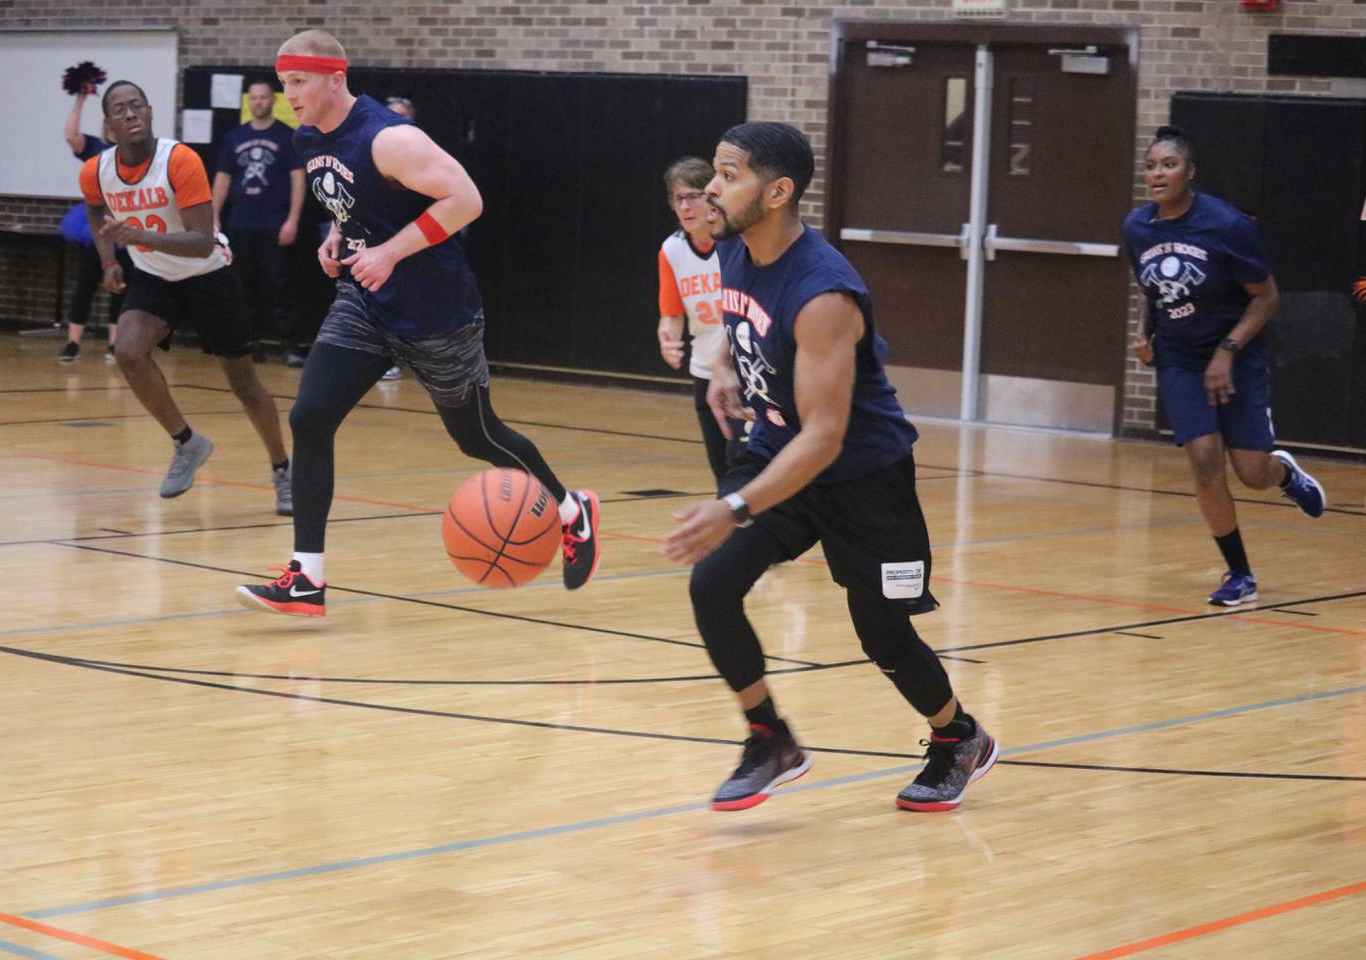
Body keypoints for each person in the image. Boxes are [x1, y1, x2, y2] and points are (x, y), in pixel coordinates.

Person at [663, 122, 996, 813]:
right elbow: (743, 319)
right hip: (777, 450)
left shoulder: (824, 295)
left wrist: (731, 506)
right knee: (713, 583)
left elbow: (824, 437)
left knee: (883, 633)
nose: (712, 190)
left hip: (862, 480)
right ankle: (770, 738)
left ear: (778, 192)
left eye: (729, 176)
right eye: (714, 173)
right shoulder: (734, 248)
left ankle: (958, 736)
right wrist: (727, 365)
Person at [235, 30, 600, 616]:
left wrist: (390, 252)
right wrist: (336, 237)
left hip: (436, 310)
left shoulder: (391, 138)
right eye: (284, 84)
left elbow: (466, 199)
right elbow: (351, 202)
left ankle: (570, 508)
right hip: (365, 302)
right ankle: (307, 576)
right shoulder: (307, 136)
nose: (289, 95)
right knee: (309, 417)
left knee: (476, 435)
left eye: (298, 82)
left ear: (335, 77)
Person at [1124, 125, 1326, 607]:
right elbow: (1152, 291)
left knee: (1250, 471)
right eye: (1151, 166)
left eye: (1168, 165)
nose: (1157, 174)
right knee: (1203, 459)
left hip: (1237, 351)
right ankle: (1240, 574)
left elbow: (1267, 297)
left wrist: (1227, 352)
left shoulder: (1228, 225)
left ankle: (1285, 475)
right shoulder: (1137, 227)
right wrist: (1144, 332)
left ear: (1189, 172)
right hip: (1178, 355)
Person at [79, 80, 291, 513]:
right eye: (120, 108)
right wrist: (109, 261)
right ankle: (187, 443)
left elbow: (200, 242)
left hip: (209, 274)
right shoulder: (96, 170)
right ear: (108, 125)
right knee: (128, 351)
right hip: (156, 276)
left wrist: (137, 235)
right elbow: (95, 207)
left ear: (151, 111)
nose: (131, 113)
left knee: (244, 382)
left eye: (138, 104)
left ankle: (283, 470)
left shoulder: (179, 160)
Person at [657, 156, 746, 481]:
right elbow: (671, 314)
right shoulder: (671, 250)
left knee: (743, 464)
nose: (685, 206)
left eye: (693, 196)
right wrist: (668, 337)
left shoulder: (735, 245)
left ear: (711, 198)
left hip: (742, 374)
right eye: (678, 198)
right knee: (722, 474)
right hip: (704, 371)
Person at [212, 79, 305, 364]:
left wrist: (292, 219)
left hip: (275, 224)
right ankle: (249, 344)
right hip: (241, 224)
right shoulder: (234, 138)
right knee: (243, 287)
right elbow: (223, 179)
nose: (259, 102)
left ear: (273, 101)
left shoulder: (286, 136)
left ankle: (289, 345)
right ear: (248, 101)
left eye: (264, 97)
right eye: (254, 98)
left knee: (280, 286)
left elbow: (298, 179)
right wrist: (214, 217)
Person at [61, 87, 122, 363]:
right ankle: (73, 343)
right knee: (86, 283)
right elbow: (71, 136)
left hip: (123, 223)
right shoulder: (96, 147)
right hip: (95, 224)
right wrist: (80, 100)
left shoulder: (133, 151)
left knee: (122, 284)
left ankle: (115, 344)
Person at [377, 93, 415, 383]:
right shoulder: (370, 153)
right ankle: (385, 359)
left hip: (413, 245)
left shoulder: (424, 155)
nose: (397, 122)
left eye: (403, 116)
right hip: (376, 247)